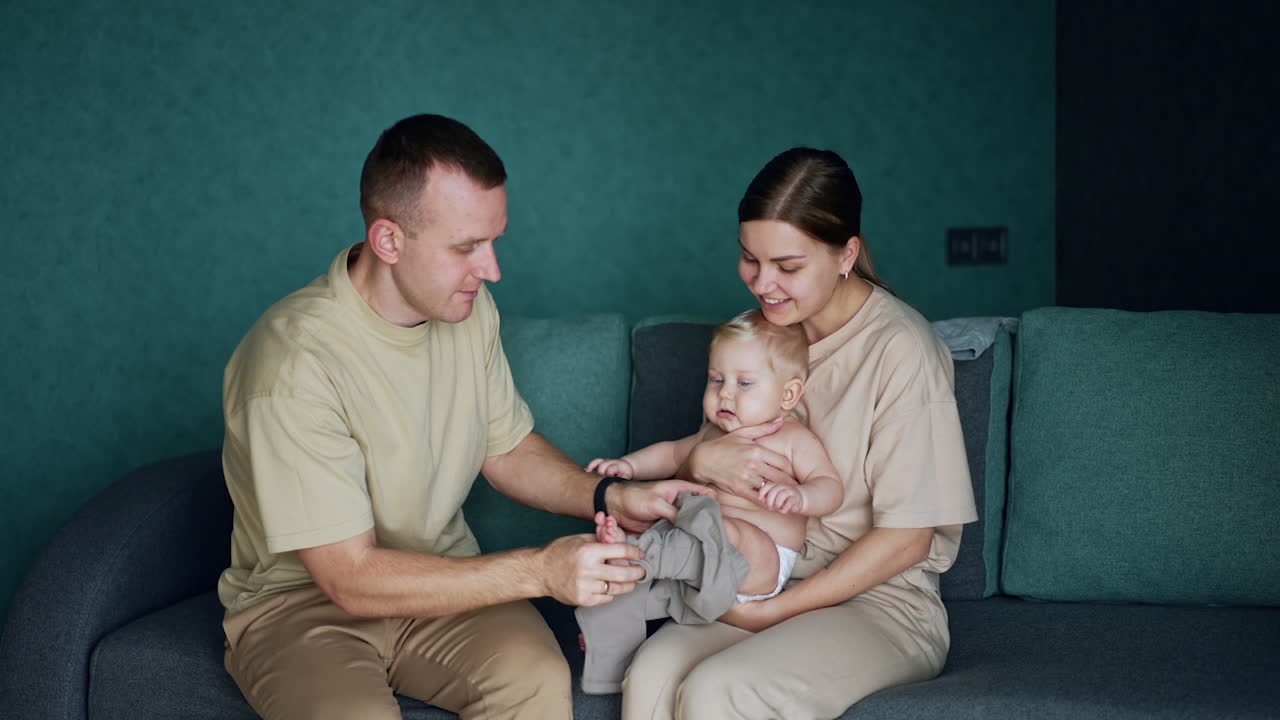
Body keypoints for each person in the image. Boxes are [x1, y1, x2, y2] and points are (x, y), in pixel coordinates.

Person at [216, 113, 704, 720]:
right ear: (388, 241)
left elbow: (506, 450)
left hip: (446, 588)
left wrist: (609, 497)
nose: (492, 269)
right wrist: (539, 569)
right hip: (302, 606)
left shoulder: (468, 312)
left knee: (535, 678)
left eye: (495, 240)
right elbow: (349, 577)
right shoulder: (291, 363)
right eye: (467, 247)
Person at [617, 147, 979, 719]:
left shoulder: (901, 349)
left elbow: (909, 538)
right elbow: (710, 461)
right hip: (760, 577)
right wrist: (702, 463)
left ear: (846, 255)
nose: (764, 284)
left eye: (788, 267)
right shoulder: (761, 335)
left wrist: (774, 613)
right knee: (651, 677)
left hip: (879, 603)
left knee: (719, 691)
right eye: (749, 260)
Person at [575, 309, 843, 693]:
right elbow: (669, 455)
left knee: (715, 526)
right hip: (700, 566)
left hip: (759, 564)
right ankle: (609, 632)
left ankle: (636, 554)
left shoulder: (792, 439)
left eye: (744, 383)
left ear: (788, 394)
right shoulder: (711, 434)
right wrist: (626, 467)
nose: (725, 394)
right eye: (716, 379)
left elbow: (831, 488)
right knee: (662, 578)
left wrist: (800, 496)